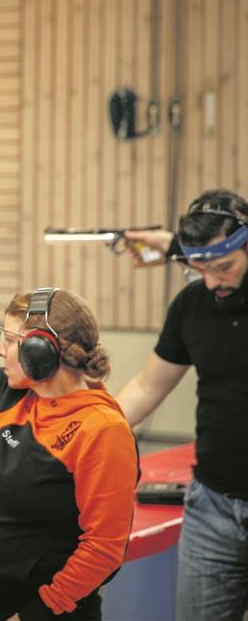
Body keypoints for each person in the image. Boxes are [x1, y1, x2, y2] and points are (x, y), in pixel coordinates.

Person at [0, 288, 138, 621]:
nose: (0, 350)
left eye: (9, 339)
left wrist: (35, 613)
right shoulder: (9, 392)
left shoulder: (101, 429)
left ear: (40, 349)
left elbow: (104, 548)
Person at [117, 189, 248, 621]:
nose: (213, 282)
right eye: (200, 269)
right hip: (212, 509)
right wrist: (86, 431)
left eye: (224, 266)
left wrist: (170, 243)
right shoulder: (192, 305)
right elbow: (146, 388)